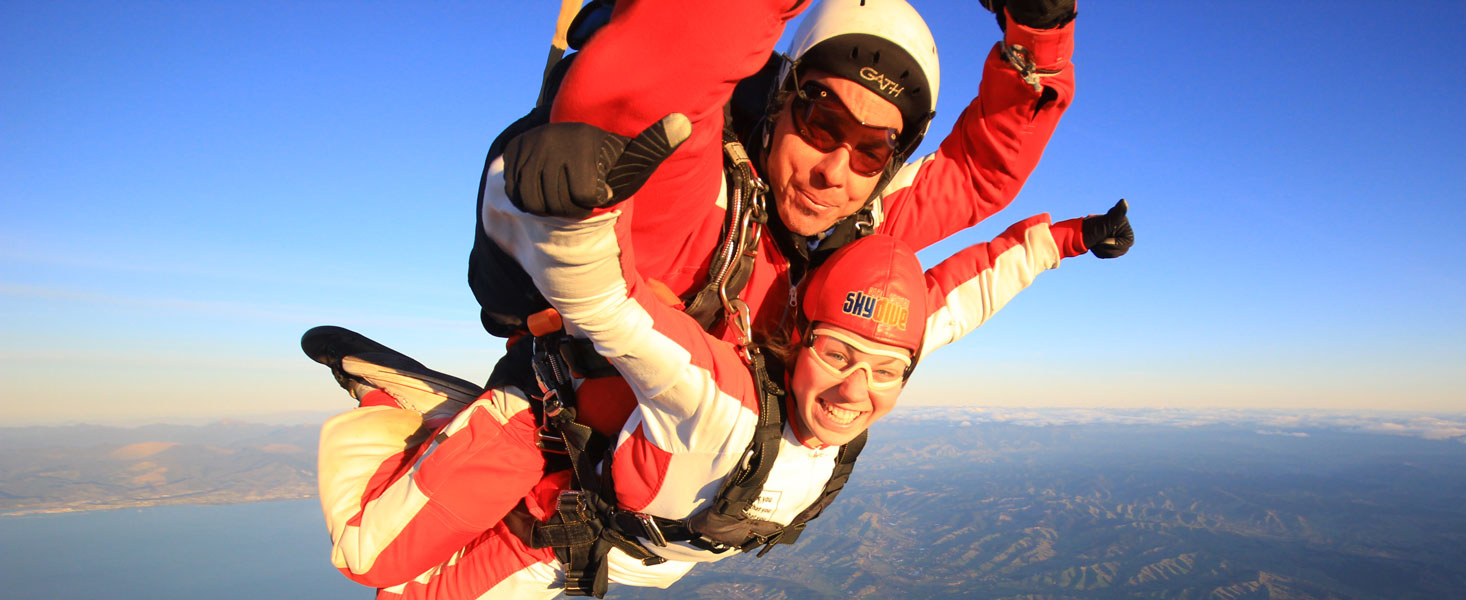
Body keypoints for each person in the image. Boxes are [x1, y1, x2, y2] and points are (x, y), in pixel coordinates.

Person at [313, 185, 1129, 596]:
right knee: (369, 557)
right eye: (840, 354)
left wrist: (1068, 240)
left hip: (598, 534)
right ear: (797, 338)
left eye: (888, 370)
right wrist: (584, 204)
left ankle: (439, 438)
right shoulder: (717, 394)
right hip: (541, 437)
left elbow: (964, 292)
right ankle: (400, 405)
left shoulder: (879, 355)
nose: (858, 389)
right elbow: (619, 306)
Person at [474, 0, 1117, 437]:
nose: (834, 172)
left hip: (693, 519)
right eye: (822, 123)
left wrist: (1039, 37)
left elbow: (981, 172)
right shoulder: (703, 206)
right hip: (562, 493)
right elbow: (658, 92)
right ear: (781, 104)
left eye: (871, 149)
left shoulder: (865, 226)